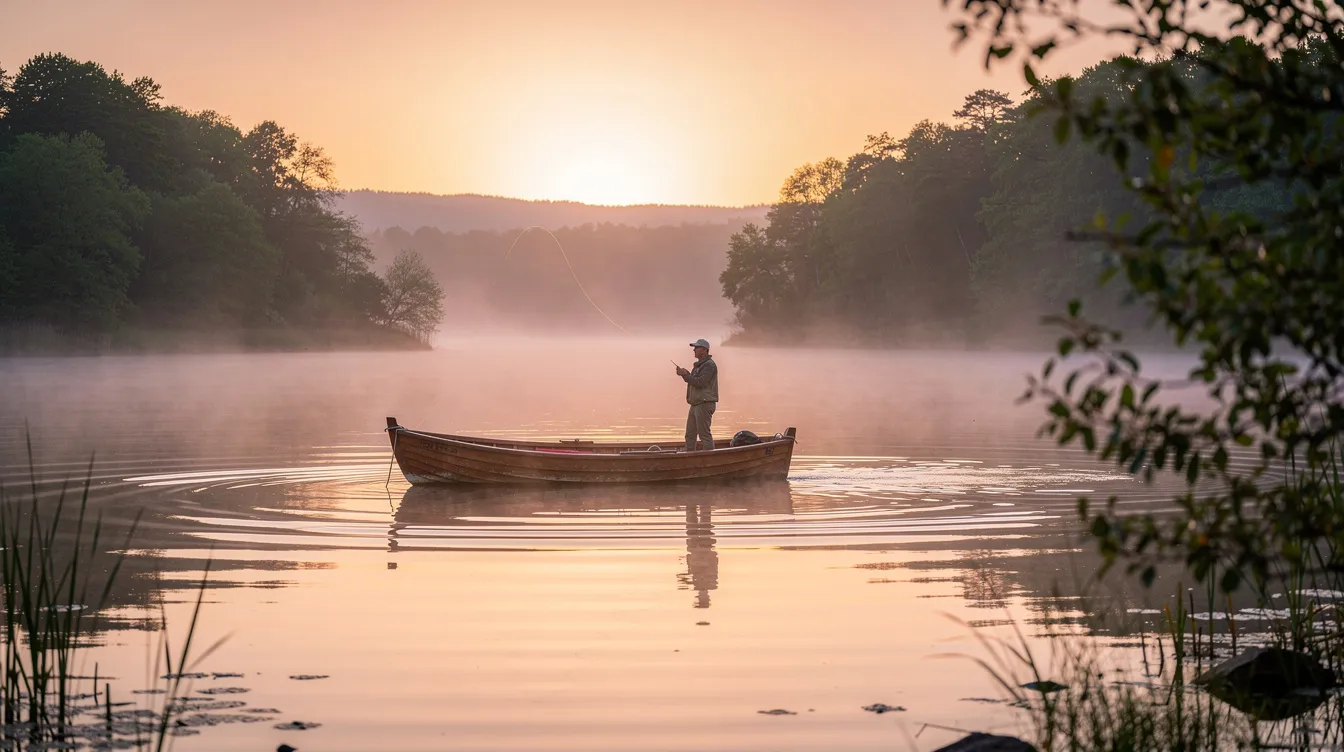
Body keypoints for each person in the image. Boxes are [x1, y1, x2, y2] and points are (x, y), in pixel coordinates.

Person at [675, 338, 718, 451]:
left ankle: (710, 461)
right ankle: (689, 460)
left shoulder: (709, 365)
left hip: (704, 403)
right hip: (695, 404)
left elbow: (701, 382)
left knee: (704, 435)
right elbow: (695, 379)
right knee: (690, 435)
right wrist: (686, 373)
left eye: (696, 347)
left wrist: (685, 375)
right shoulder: (698, 365)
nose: (694, 350)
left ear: (704, 350)